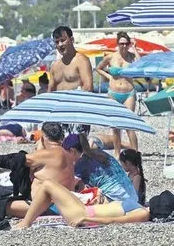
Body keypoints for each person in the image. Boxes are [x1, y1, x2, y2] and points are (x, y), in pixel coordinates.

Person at [13, 179, 149, 229]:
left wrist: (85, 219)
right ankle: (28, 217)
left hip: (82, 214)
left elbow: (113, 220)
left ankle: (25, 223)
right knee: (49, 188)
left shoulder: (143, 213)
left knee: (48, 184)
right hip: (84, 210)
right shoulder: (140, 208)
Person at [95, 31, 140, 159]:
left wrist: (135, 49)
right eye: (121, 44)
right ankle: (117, 152)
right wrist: (109, 76)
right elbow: (98, 68)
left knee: (129, 124)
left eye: (126, 44)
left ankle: (136, 153)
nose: (124, 46)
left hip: (128, 93)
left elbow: (141, 64)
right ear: (117, 44)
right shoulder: (110, 57)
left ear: (129, 44)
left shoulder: (132, 57)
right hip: (113, 93)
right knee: (115, 126)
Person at [63, 133, 139, 203]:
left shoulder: (81, 163)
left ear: (72, 151)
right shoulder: (99, 153)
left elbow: (69, 187)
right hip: (132, 196)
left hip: (117, 200)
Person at [49, 26, 93, 135]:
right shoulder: (55, 66)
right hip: (58, 113)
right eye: (57, 42)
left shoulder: (81, 60)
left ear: (72, 40)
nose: (60, 45)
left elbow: (88, 87)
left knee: (76, 148)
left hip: (77, 113)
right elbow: (50, 91)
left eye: (63, 40)